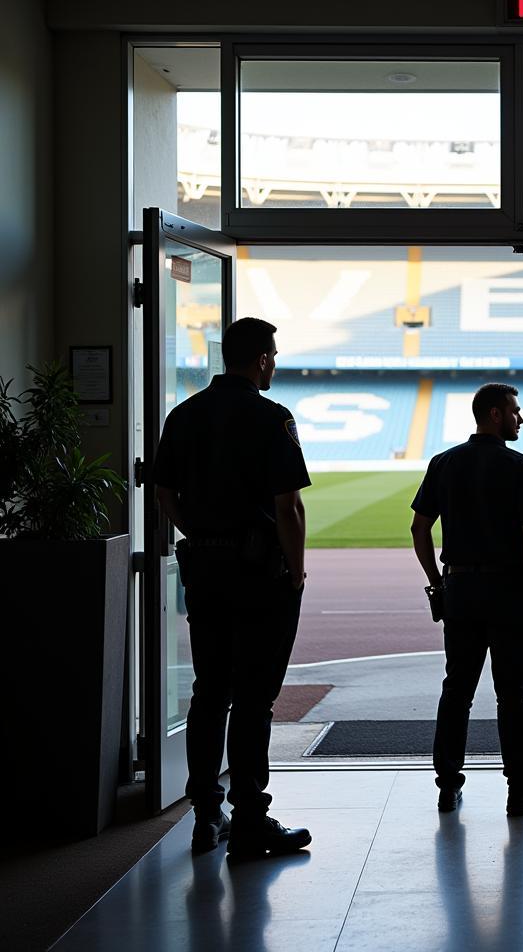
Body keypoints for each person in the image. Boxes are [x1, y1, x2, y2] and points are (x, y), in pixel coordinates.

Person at [154, 317, 313, 858]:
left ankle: (205, 814)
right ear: (262, 358)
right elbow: (288, 507)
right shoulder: (272, 417)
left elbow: (164, 492)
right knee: (253, 699)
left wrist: (197, 534)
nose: (274, 362)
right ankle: (249, 814)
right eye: (273, 353)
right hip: (260, 575)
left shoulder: (183, 415)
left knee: (208, 690)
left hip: (205, 570)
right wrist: (295, 570)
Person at [410, 382, 523, 817]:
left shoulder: (443, 463)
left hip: (461, 591)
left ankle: (448, 786)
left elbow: (419, 530)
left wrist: (437, 581)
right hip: (509, 591)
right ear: (494, 414)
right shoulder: (519, 465)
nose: (520, 418)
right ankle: (520, 790)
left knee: (457, 690)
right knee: (513, 695)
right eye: (515, 410)